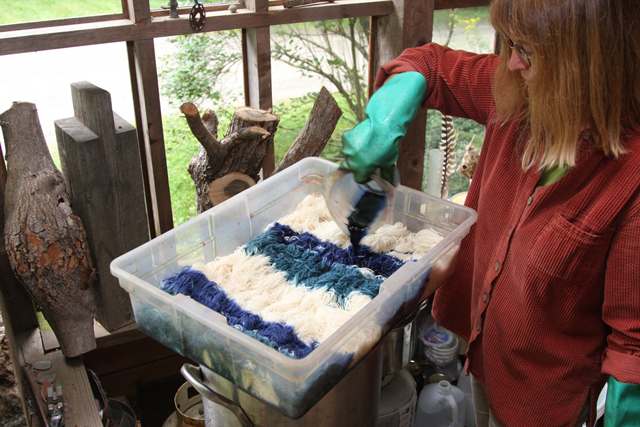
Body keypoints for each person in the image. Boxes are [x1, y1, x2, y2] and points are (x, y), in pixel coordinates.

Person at [341, 0, 640, 426]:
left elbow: (633, 348)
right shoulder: (520, 91)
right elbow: (433, 66)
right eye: (511, 43)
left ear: (586, 66)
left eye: (530, 51)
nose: (512, 61)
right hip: (480, 355)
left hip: (540, 404)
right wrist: (385, 114)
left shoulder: (630, 180)